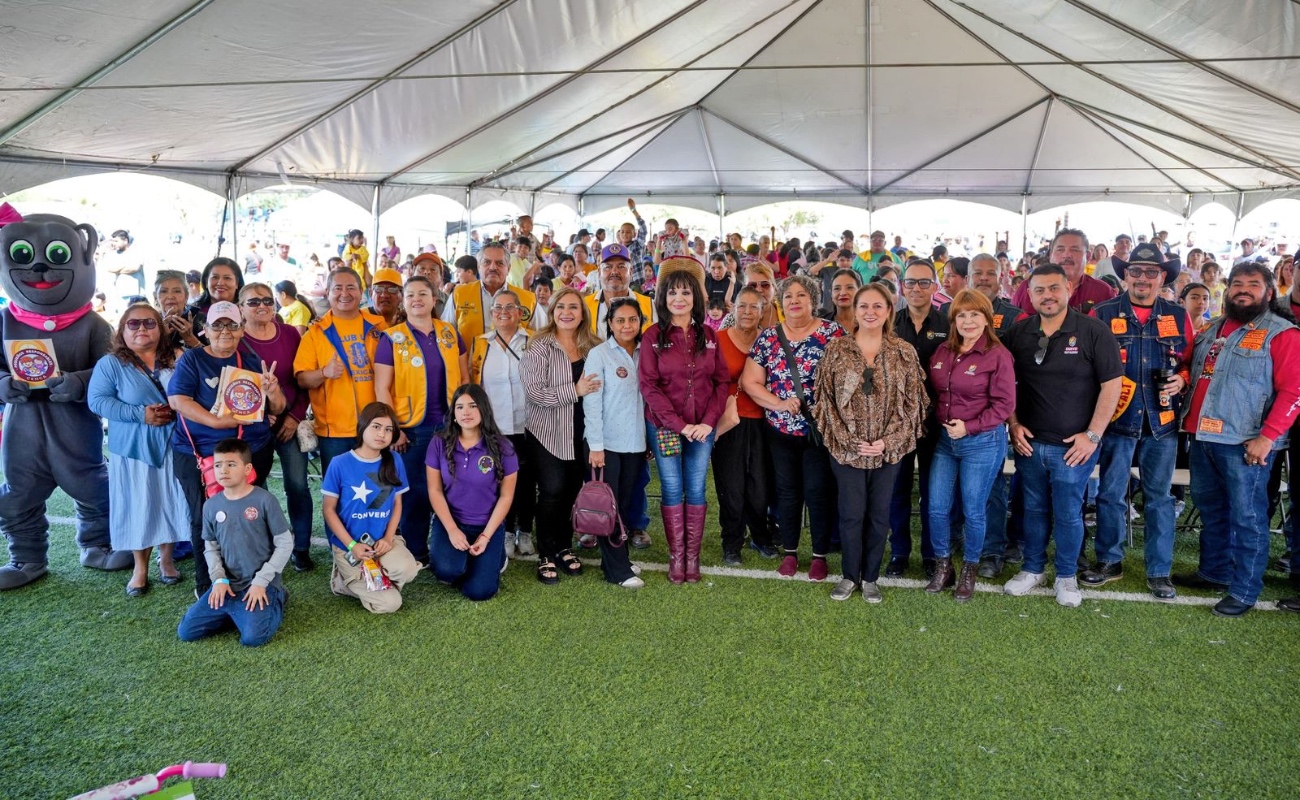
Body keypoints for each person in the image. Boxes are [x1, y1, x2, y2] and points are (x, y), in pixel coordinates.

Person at [1176, 262, 1300, 617]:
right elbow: (1189, 366)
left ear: (1269, 292)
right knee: (1212, 509)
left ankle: (1245, 590)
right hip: (1202, 436)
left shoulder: (1282, 333)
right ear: (1227, 289)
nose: (1243, 289)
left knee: (1248, 518)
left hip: (1246, 442)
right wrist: (1182, 376)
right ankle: (1214, 571)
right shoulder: (1211, 329)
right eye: (1237, 283)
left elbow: (1294, 390)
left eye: (1253, 284)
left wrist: (1268, 437)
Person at [1003, 264, 1123, 607]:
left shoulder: (1094, 331)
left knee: (1069, 512)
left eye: (1054, 288)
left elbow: (1112, 386)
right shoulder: (1019, 332)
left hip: (1074, 447)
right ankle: (1033, 569)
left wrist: (1093, 436)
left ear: (1069, 288)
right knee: (1033, 509)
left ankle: (1066, 576)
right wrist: (1013, 424)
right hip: (1029, 444)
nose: (1047, 296)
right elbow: (1003, 382)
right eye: (1039, 290)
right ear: (1029, 294)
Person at [1085, 243, 1193, 600]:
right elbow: (1087, 364)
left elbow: (1190, 361)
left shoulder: (1178, 315)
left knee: (1159, 498)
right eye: (1135, 271)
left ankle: (1159, 571)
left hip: (1162, 423)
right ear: (1125, 276)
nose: (1142, 278)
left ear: (1162, 277)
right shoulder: (1102, 313)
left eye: (1151, 272)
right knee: (1110, 494)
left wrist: (1183, 379)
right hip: (1116, 420)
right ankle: (1109, 561)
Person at [813, 282, 927, 602]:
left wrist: (887, 442)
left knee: (879, 515)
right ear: (855, 311)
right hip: (847, 450)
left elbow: (914, 405)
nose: (870, 312)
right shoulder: (836, 350)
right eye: (864, 306)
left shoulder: (903, 352)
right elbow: (824, 401)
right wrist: (849, 441)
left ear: (889, 311)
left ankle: (871, 578)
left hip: (887, 452)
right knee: (851, 513)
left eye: (878, 306)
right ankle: (850, 576)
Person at [168, 301, 286, 596]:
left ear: (242, 329)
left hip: (250, 450)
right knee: (204, 517)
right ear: (205, 330)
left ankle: (250, 577)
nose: (225, 331)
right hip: (199, 454)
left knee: (247, 514)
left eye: (232, 325)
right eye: (218, 325)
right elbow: (178, 400)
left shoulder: (252, 359)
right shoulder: (193, 359)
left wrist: (273, 392)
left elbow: (277, 407)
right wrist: (216, 422)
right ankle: (207, 584)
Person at [741, 274, 845, 580]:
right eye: (788, 296)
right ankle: (790, 552)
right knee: (786, 492)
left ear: (813, 300)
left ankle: (819, 556)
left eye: (801, 295)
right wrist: (778, 403)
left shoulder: (833, 333)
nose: (794, 301)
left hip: (819, 432)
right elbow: (750, 381)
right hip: (780, 431)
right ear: (780, 302)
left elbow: (848, 378)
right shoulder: (769, 338)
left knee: (818, 492)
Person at [88, 303, 190, 596]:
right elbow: (97, 401)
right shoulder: (110, 364)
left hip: (174, 444)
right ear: (122, 330)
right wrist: (140, 414)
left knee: (171, 501)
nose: (141, 328)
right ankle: (140, 569)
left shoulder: (178, 357)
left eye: (149, 323)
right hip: (133, 448)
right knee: (137, 506)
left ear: (160, 328)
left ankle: (167, 561)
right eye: (133, 324)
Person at [640, 258, 730, 584]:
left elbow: (721, 382)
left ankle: (692, 557)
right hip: (665, 426)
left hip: (703, 427)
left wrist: (707, 423)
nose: (679, 298)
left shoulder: (709, 335)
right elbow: (649, 386)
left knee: (695, 487)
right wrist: (680, 426)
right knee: (672, 487)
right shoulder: (652, 336)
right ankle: (676, 556)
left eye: (686, 292)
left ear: (696, 297)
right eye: (672, 292)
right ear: (663, 298)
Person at [923, 289, 1015, 601]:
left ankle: (969, 569)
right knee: (936, 507)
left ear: (987, 318)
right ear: (953, 320)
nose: (968, 321)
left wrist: (970, 426)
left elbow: (1004, 405)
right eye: (961, 315)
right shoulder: (942, 351)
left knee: (974, 509)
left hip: (982, 442)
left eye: (974, 314)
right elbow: (933, 393)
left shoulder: (998, 355)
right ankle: (943, 565)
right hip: (946, 441)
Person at [374, 275, 468, 566]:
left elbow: (465, 379)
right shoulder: (391, 338)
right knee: (415, 492)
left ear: (434, 298)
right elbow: (381, 388)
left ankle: (450, 546)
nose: (417, 299)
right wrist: (394, 429)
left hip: (451, 426)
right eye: (411, 294)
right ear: (404, 301)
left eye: (423, 294)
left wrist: (466, 420)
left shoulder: (449, 333)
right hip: (412, 430)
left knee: (453, 487)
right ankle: (416, 551)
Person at [175, 438, 291, 647]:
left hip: (260, 583)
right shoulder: (211, 505)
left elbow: (285, 544)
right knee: (187, 632)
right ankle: (236, 612)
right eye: (218, 465)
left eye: (231, 464)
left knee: (253, 638)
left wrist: (261, 581)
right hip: (227, 585)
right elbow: (210, 547)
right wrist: (219, 579)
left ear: (247, 469)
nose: (223, 470)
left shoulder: (265, 500)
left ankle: (278, 596)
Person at [521, 287, 602, 584]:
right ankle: (546, 553)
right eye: (561, 307)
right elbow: (534, 393)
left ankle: (564, 546)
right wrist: (575, 390)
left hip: (583, 431)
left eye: (573, 307)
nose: (567, 312)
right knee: (552, 490)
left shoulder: (594, 346)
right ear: (552, 312)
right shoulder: (538, 346)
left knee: (571, 491)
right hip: (548, 432)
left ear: (583, 314)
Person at [237, 283, 314, 572]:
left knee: (297, 485)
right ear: (241, 308)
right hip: (253, 427)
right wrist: (259, 415)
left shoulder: (292, 334)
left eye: (267, 300)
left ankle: (302, 547)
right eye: (253, 301)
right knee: (256, 488)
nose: (262, 306)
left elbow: (302, 380)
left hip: (290, 423)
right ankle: (265, 548)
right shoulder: (235, 338)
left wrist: (294, 416)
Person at [322, 402, 422, 613]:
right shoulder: (339, 463)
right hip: (350, 547)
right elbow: (328, 510)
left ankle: (375, 576)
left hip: (381, 542)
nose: (382, 434)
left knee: (408, 570)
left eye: (388, 429)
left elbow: (397, 503)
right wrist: (352, 546)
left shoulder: (394, 460)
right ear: (363, 426)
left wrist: (388, 538)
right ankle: (342, 581)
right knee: (391, 603)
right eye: (376, 426)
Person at [887, 258, 950, 578]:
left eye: (924, 282)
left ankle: (930, 554)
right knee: (896, 490)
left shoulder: (949, 324)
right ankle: (899, 552)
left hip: (936, 423)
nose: (916, 288)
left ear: (935, 287)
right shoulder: (889, 323)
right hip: (897, 424)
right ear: (902, 286)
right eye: (910, 282)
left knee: (932, 493)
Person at [427, 385, 518, 599]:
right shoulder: (439, 442)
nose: (465, 412)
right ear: (454, 413)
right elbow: (435, 490)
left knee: (480, 592)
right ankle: (460, 560)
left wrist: (486, 536)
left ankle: (496, 557)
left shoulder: (503, 447)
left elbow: (506, 496)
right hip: (452, 522)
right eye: (459, 407)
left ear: (484, 409)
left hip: (487, 525)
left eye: (472, 406)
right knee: (446, 572)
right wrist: (452, 530)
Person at [582, 297, 649, 588]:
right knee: (609, 507)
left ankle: (618, 559)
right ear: (610, 323)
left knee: (623, 505)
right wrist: (596, 445)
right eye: (620, 320)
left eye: (632, 319)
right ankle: (617, 570)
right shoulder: (599, 354)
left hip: (635, 443)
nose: (626, 325)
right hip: (605, 444)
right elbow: (591, 401)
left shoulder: (646, 352)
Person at [294, 268, 386, 474]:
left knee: (377, 486)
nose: (344, 293)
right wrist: (323, 373)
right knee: (337, 488)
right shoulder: (315, 333)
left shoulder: (379, 327)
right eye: (338, 288)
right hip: (334, 432)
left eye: (351, 287)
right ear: (327, 292)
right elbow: (302, 379)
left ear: (361, 291)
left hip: (375, 424)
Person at [469, 288, 536, 557]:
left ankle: (526, 530)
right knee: (498, 482)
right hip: (494, 428)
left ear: (520, 313)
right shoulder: (480, 344)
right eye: (498, 307)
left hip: (530, 425)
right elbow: (473, 385)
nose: (503, 312)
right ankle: (506, 531)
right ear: (491, 313)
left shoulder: (534, 341)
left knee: (527, 481)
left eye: (510, 307)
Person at [713, 287, 777, 562]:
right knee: (731, 485)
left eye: (754, 307)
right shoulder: (717, 340)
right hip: (729, 421)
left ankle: (761, 537)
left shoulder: (770, 341)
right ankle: (732, 542)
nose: (747, 312)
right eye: (742, 306)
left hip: (764, 421)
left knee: (760, 486)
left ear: (762, 312)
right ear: (733, 309)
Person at [444, 242, 539, 342]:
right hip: (469, 353)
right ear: (479, 267)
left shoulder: (528, 300)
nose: (493, 267)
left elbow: (542, 336)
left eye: (499, 263)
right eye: (487, 262)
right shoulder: (459, 294)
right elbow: (446, 333)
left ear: (508, 268)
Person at [1011, 229, 1117, 315]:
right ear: (1050, 255)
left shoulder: (1103, 292)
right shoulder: (1027, 288)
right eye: (1060, 250)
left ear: (1088, 256)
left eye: (1074, 250)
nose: (1066, 255)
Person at [185, 257, 244, 342]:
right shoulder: (192, 314)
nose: (220, 283)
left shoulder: (247, 312)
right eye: (215, 277)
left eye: (227, 278)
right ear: (206, 282)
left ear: (237, 283)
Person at [154, 270, 201, 353]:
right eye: (163, 291)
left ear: (186, 296)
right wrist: (162, 337)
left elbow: (216, 358)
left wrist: (191, 339)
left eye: (177, 291)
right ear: (155, 297)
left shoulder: (200, 320)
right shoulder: (149, 323)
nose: (170, 296)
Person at [411, 252, 450, 319]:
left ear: (441, 277)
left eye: (433, 269)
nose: (427, 272)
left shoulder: (450, 302)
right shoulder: (402, 300)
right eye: (422, 268)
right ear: (413, 274)